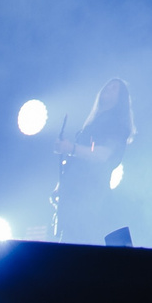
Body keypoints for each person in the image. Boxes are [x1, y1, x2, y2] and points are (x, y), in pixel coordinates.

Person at [53, 77, 135, 242]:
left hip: (90, 196)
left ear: (121, 99)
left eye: (114, 88)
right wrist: (60, 186)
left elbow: (102, 155)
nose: (108, 88)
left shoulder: (117, 125)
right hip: (73, 196)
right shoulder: (92, 124)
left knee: (82, 241)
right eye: (107, 86)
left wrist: (71, 148)